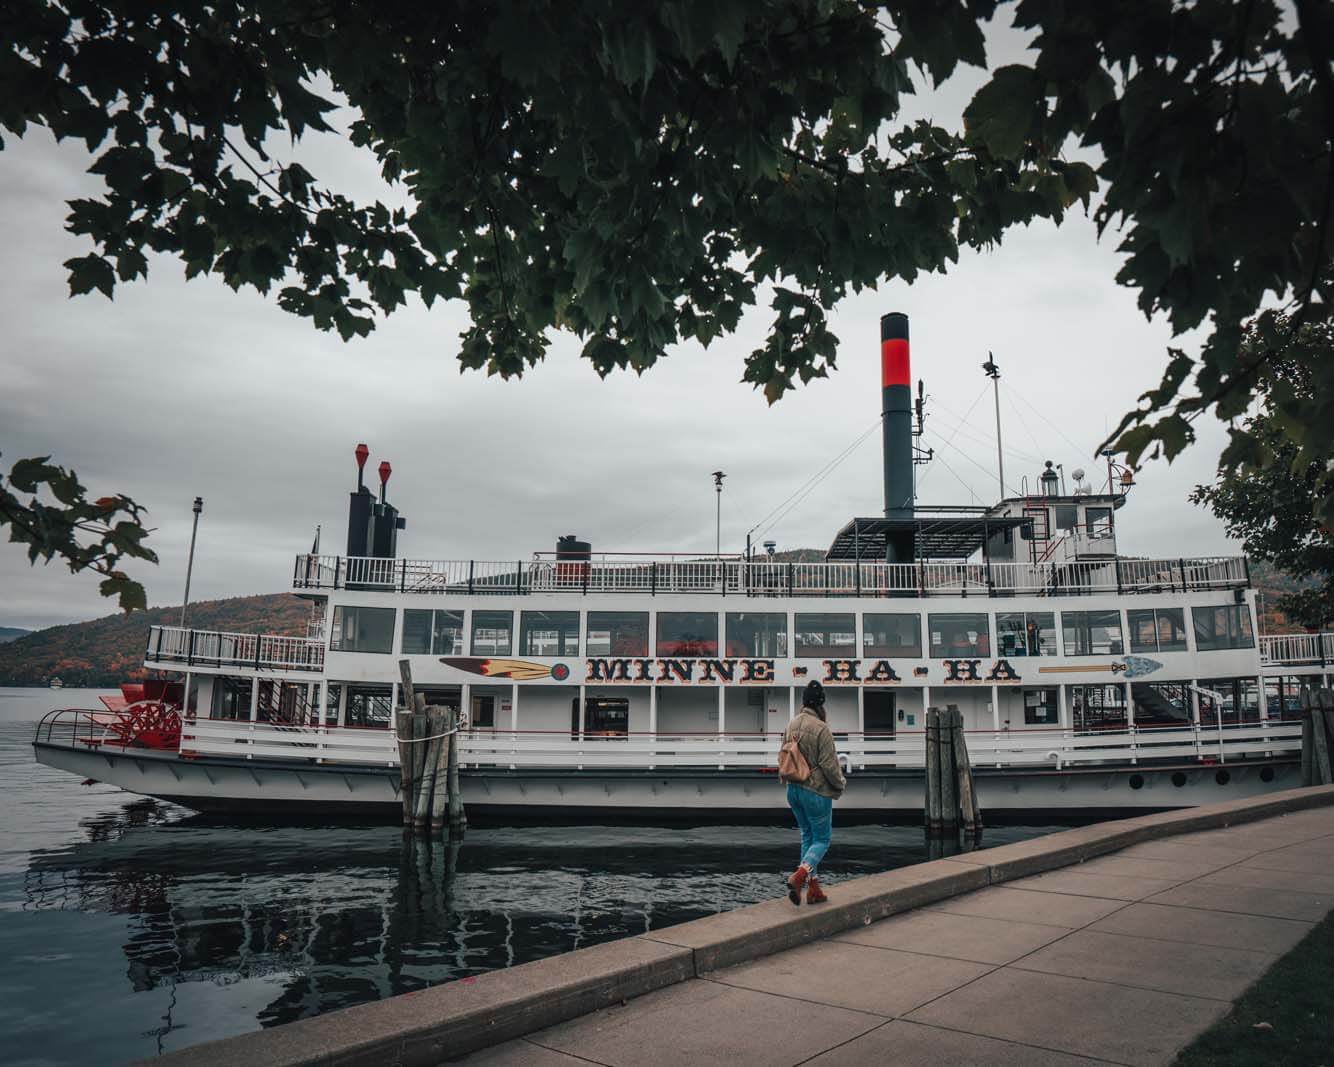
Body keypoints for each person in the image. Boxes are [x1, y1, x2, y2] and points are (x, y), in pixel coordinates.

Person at [780, 680, 846, 905]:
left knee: (807, 836)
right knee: (822, 839)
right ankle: (799, 877)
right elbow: (829, 765)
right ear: (821, 705)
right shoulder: (821, 728)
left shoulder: (792, 724)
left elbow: (783, 754)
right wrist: (840, 784)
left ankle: (813, 890)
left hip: (793, 789)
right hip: (814, 791)